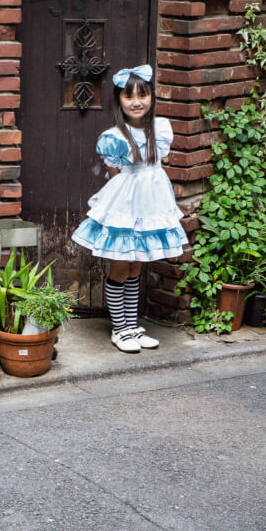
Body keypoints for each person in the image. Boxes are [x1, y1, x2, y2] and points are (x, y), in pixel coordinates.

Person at [71, 65, 188, 353]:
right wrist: (121, 213)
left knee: (137, 265)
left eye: (143, 95)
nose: (137, 101)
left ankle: (132, 325)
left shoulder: (160, 129)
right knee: (121, 265)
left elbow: (155, 167)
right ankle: (119, 329)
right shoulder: (114, 137)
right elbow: (116, 178)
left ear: (151, 97)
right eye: (129, 96)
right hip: (126, 205)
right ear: (119, 100)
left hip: (153, 202)